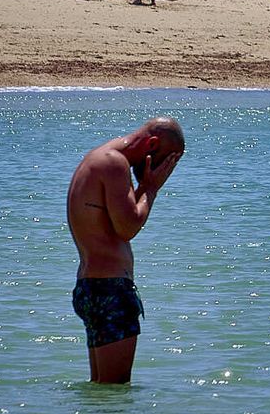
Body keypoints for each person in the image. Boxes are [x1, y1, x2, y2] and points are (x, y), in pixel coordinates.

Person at [66, 117, 185, 383]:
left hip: (92, 287)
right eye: (164, 163)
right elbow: (128, 227)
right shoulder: (114, 163)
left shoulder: (98, 158)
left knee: (101, 391)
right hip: (109, 290)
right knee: (115, 392)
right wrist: (151, 189)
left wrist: (143, 187)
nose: (161, 172)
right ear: (152, 144)